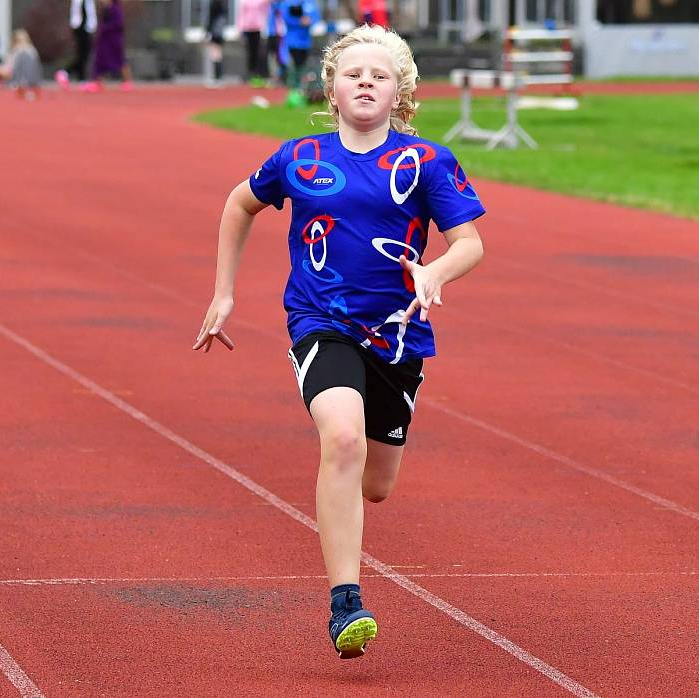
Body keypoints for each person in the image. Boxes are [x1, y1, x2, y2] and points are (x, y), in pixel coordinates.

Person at [193, 24, 485, 659]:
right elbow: (239, 205)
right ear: (330, 87)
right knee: (342, 438)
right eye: (353, 73)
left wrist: (435, 270)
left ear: (399, 94)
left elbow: (470, 242)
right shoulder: (299, 157)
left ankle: (351, 500)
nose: (365, 82)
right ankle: (345, 600)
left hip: (400, 335)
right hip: (320, 321)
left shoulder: (427, 162)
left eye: (379, 75)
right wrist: (224, 293)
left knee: (376, 484)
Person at [83, 0, 132, 91]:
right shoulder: (106, 9)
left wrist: (104, 28)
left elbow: (118, 23)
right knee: (99, 61)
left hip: (114, 40)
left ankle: (127, 81)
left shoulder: (115, 9)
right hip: (104, 41)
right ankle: (97, 81)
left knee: (119, 60)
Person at [282, 1, 319, 105]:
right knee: (294, 67)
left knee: (303, 67)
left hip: (305, 42)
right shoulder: (288, 3)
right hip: (292, 42)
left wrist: (309, 21)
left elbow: (316, 17)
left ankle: (301, 91)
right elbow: (285, 18)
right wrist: (299, 21)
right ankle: (293, 91)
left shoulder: (309, 4)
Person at [0, 29, 43, 99]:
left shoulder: (22, 52)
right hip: (26, 82)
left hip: (18, 81)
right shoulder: (29, 51)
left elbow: (11, 70)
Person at [61, 0, 98, 86]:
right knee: (83, 54)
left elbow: (90, 14)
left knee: (84, 55)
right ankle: (67, 72)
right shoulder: (79, 1)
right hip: (81, 29)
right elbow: (78, 14)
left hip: (86, 29)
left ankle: (80, 77)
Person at [238, 0, 270, 86]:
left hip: (258, 29)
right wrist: (241, 30)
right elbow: (241, 15)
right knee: (250, 53)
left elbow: (266, 10)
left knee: (260, 53)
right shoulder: (244, 1)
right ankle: (251, 73)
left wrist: (265, 26)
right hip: (248, 29)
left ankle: (259, 74)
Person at [265, 0, 288, 86]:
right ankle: (274, 77)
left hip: (281, 34)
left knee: (281, 57)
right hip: (272, 33)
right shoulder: (270, 5)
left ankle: (282, 77)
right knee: (271, 57)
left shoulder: (283, 4)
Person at [205, 0, 227, 86]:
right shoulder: (223, 4)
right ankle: (218, 76)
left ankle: (217, 77)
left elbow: (211, 18)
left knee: (215, 55)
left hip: (215, 32)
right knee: (217, 54)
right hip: (219, 31)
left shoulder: (215, 4)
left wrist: (208, 32)